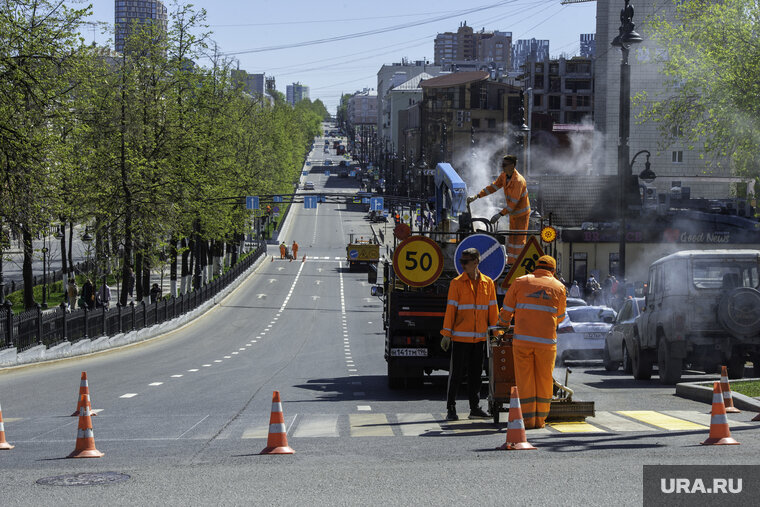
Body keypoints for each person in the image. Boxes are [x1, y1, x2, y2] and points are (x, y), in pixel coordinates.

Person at [497, 255, 566, 429]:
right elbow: (560, 317)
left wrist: (503, 327)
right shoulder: (559, 287)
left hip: (522, 343)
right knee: (543, 381)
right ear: (553, 270)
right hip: (546, 344)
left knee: (525, 381)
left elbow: (507, 311)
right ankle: (540, 420)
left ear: (535, 267)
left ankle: (527, 420)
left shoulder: (520, 282)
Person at [440, 248, 499, 421]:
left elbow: (493, 311)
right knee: (456, 375)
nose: (462, 265)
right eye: (461, 262)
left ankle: (475, 408)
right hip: (460, 338)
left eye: (465, 262)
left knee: (476, 376)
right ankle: (451, 408)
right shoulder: (456, 283)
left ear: (476, 262)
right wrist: (446, 334)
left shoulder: (488, 283)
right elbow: (451, 310)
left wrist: (495, 334)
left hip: (479, 339)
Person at [467, 155, 530, 266]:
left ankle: (518, 265)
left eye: (505, 165)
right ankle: (511, 263)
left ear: (512, 165)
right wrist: (477, 196)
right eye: (502, 164)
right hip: (514, 214)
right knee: (512, 240)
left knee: (519, 240)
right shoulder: (504, 176)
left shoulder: (518, 181)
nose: (502, 167)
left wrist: (499, 214)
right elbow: (493, 187)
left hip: (521, 215)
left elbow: (512, 205)